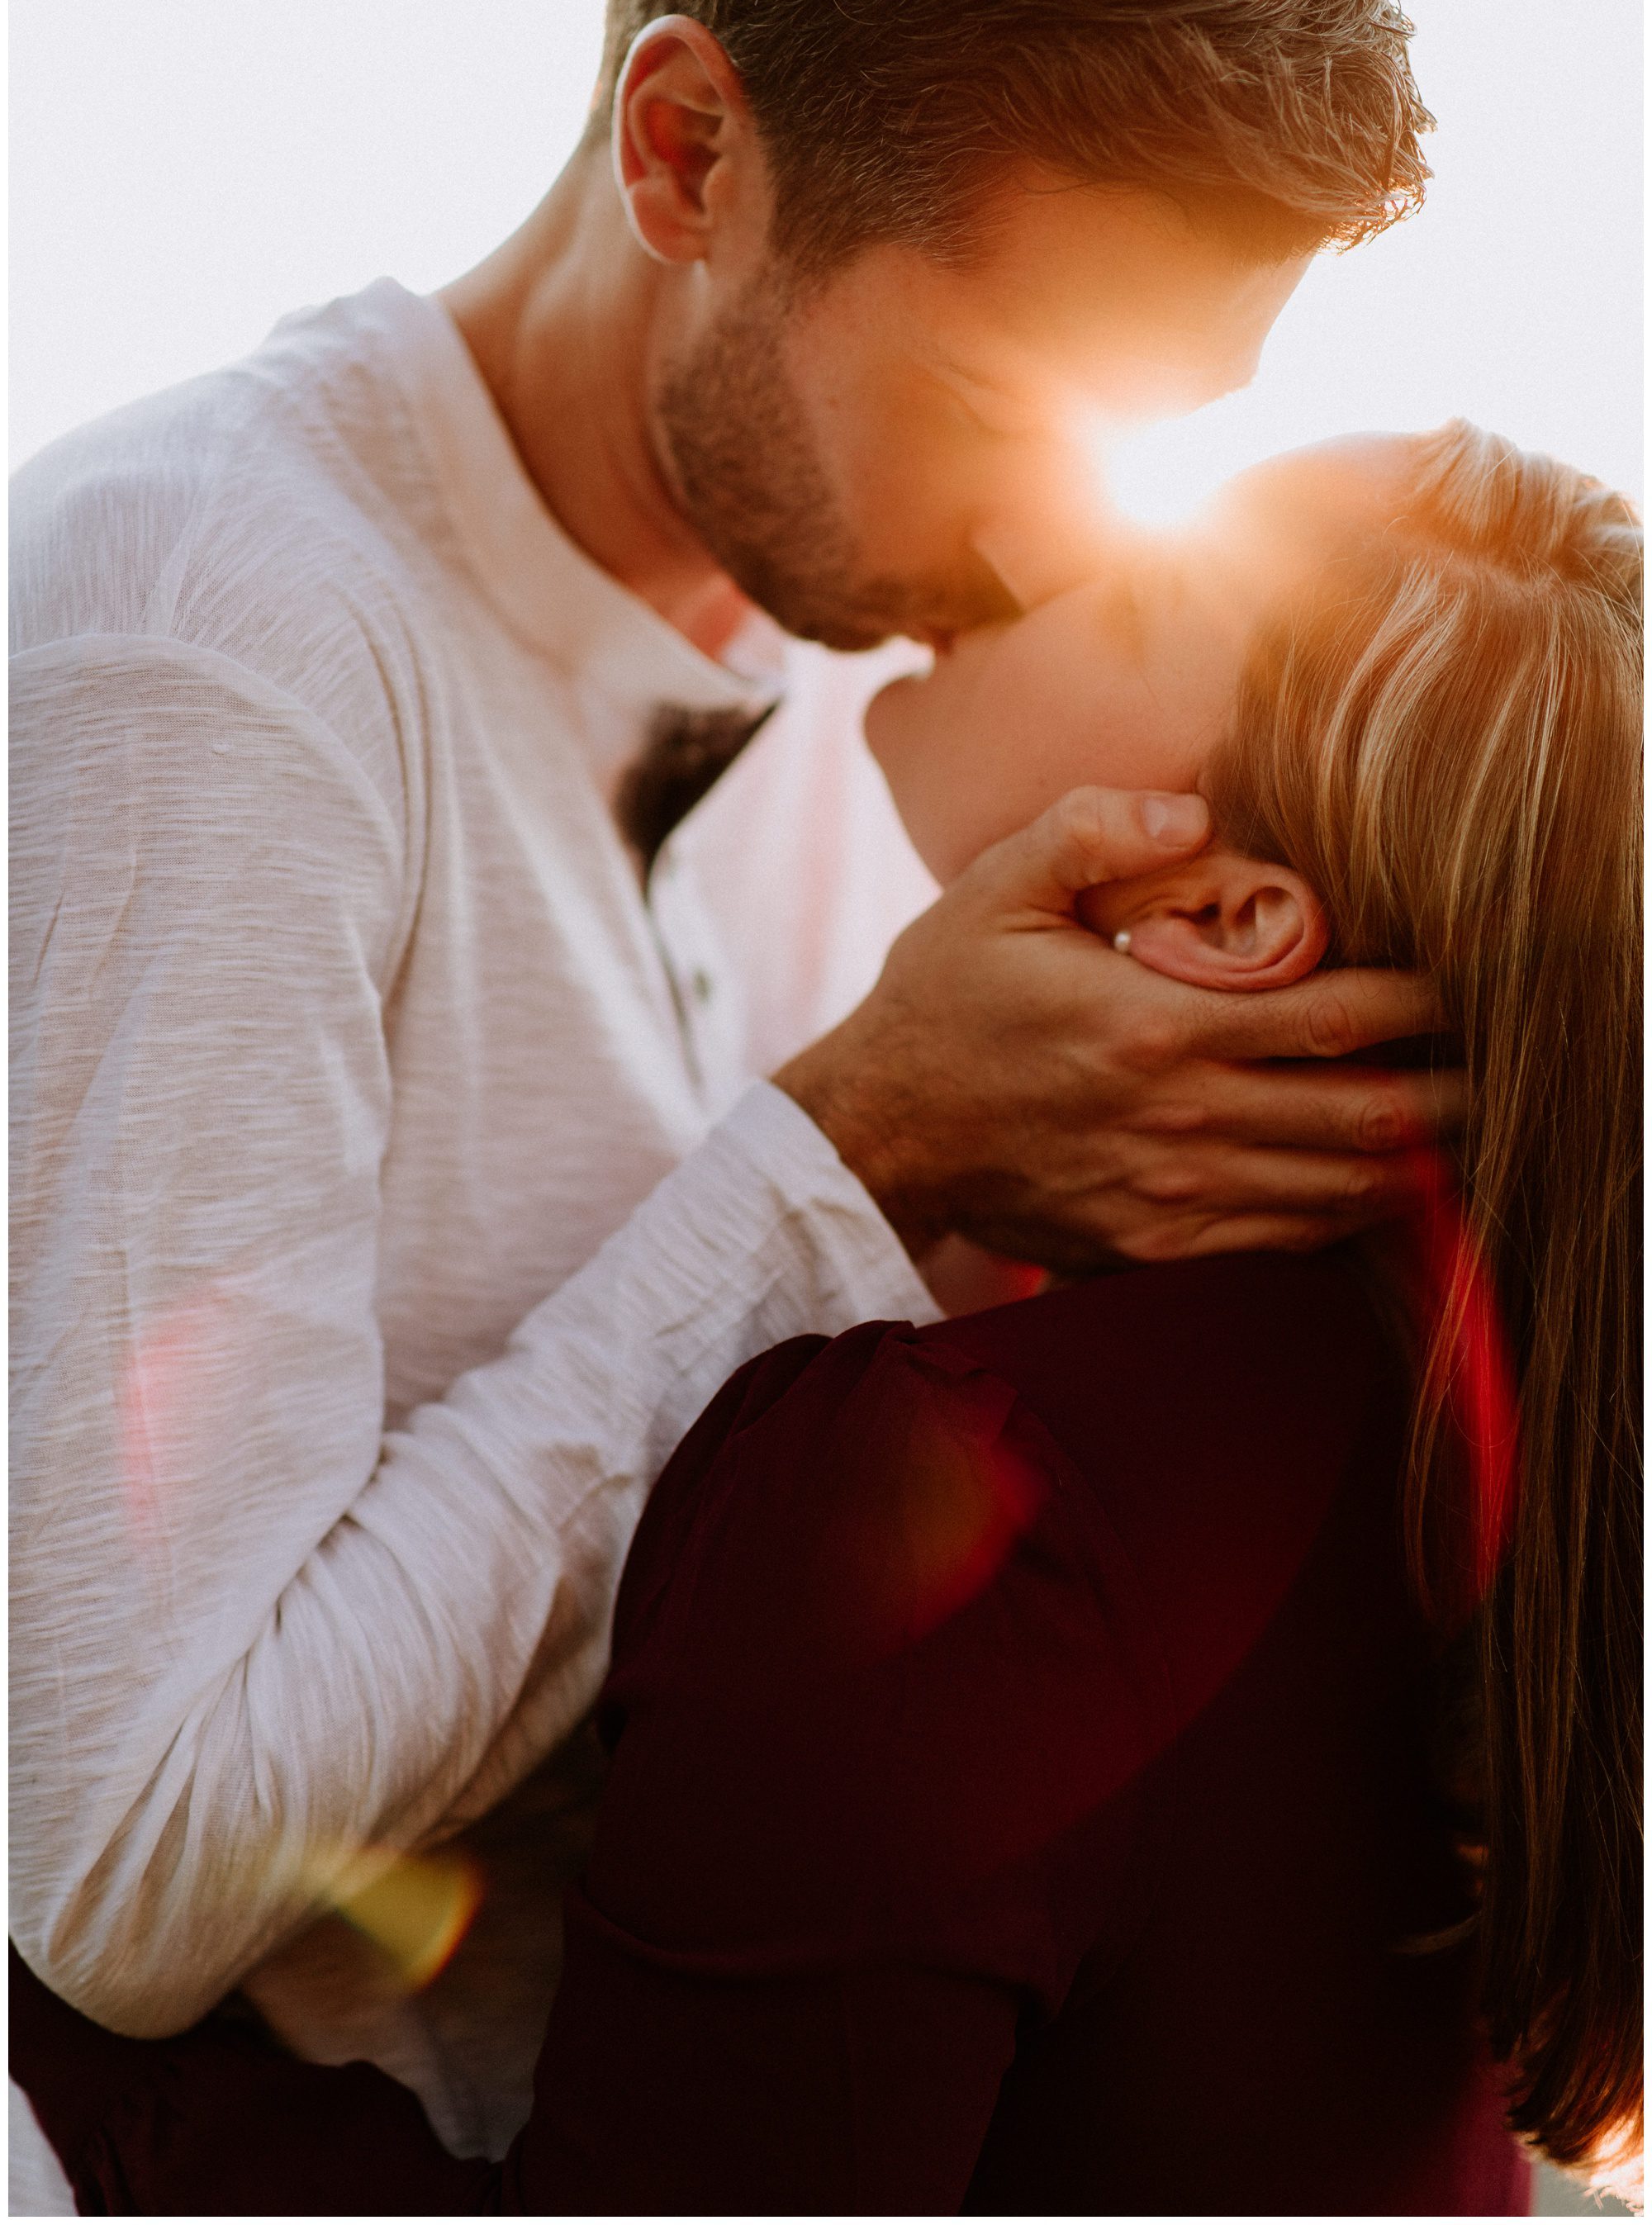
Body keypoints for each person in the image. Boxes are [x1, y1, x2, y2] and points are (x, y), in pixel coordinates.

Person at [10, 0, 1446, 2206]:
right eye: (998, 407)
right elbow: (125, 1862)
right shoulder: (210, 646)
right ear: (688, 153)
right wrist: (856, 1143)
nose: (1050, 540)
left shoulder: (873, 693)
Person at [12, 419, 1640, 2214]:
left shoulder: (944, 1499)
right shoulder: (1462, 1432)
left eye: (1147, 580)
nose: (1040, 536)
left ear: (1225, 913)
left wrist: (71, 2054)